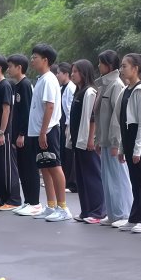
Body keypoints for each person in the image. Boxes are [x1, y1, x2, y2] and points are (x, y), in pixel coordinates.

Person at [117, 53, 141, 233]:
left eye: (124, 66)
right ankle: (135, 216)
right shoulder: (126, 90)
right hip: (128, 138)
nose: (121, 69)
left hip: (137, 140)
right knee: (135, 180)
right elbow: (122, 121)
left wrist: (138, 149)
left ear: (135, 69)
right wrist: (122, 147)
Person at [95, 50, 133, 228]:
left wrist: (116, 142)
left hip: (113, 141)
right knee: (108, 179)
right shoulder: (105, 85)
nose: (98, 66)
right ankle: (113, 214)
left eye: (101, 63)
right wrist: (98, 139)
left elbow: (118, 118)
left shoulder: (116, 85)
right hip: (105, 140)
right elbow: (100, 117)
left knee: (118, 177)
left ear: (110, 65)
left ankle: (124, 213)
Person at [27, 45, 65, 220]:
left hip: (48, 130)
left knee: (54, 167)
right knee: (45, 168)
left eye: (35, 57)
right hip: (39, 132)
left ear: (45, 60)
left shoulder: (49, 79)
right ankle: (50, 206)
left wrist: (43, 132)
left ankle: (63, 207)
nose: (32, 60)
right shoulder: (41, 79)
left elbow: (50, 107)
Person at [67, 59, 106, 223]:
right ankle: (86, 210)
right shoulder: (78, 91)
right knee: (81, 177)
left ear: (84, 73)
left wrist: (91, 139)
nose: (72, 74)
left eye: (75, 71)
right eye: (72, 71)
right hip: (78, 140)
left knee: (92, 176)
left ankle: (98, 212)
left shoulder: (90, 92)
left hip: (86, 141)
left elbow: (92, 117)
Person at [0, 55, 22, 211]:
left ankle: (14, 199)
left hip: (4, 133)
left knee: (7, 166)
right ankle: (3, 198)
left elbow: (6, 110)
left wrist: (2, 132)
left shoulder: (5, 86)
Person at [7, 54, 39, 214]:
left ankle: (35, 202)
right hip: (18, 135)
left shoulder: (25, 85)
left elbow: (27, 112)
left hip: (26, 135)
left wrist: (21, 134)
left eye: (10, 66)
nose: (8, 69)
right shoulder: (17, 85)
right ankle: (27, 201)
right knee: (22, 169)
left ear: (19, 67)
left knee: (30, 168)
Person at [57, 62, 77, 193]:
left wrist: (68, 126)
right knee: (63, 152)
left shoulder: (71, 88)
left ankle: (72, 183)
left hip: (67, 122)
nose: (57, 75)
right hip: (62, 121)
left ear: (66, 74)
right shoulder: (61, 88)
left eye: (59, 73)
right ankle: (65, 180)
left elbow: (70, 108)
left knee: (69, 153)